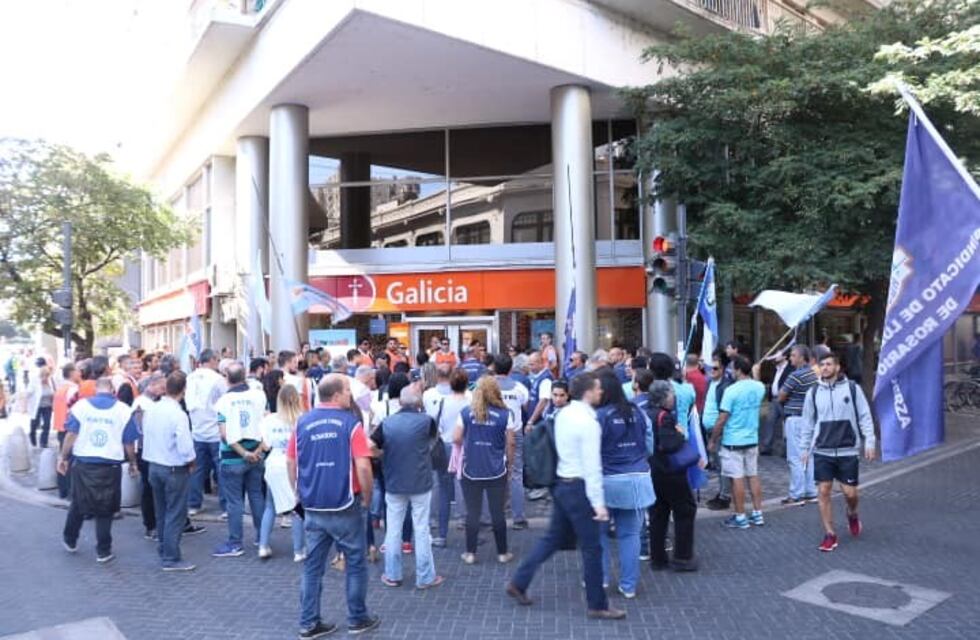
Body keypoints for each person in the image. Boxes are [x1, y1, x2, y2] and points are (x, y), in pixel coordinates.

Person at [506, 373, 625, 620]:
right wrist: (598, 503)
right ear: (589, 391)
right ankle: (598, 604)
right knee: (592, 548)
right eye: (598, 388)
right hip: (579, 488)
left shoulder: (563, 415)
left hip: (561, 483)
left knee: (552, 539)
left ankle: (519, 581)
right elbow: (592, 466)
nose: (601, 392)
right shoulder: (589, 423)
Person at [288, 374, 381, 637]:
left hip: (314, 505)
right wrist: (367, 496)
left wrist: (298, 491)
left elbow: (291, 462)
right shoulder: (351, 424)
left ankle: (309, 622)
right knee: (355, 563)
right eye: (348, 390)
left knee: (313, 567)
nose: (351, 395)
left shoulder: (302, 423)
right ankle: (357, 618)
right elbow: (363, 465)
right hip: (345, 504)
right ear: (337, 395)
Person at [800, 352, 876, 552]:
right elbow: (807, 422)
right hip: (823, 449)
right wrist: (805, 448)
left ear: (837, 367)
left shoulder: (852, 389)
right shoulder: (814, 392)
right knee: (823, 491)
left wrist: (870, 440)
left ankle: (852, 513)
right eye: (822, 364)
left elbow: (864, 415)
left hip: (847, 449)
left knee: (850, 493)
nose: (824, 368)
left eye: (828, 364)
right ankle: (830, 534)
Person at [58, 377, 139, 563]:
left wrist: (63, 457)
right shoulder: (123, 411)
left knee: (78, 502)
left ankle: (70, 539)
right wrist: (133, 463)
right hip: (110, 464)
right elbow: (129, 443)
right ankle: (103, 550)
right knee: (106, 508)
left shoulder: (80, 407)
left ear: (96, 390)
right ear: (112, 390)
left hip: (84, 463)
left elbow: (71, 434)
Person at [371, 386, 444, 589]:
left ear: (400, 402)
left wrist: (382, 455)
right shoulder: (426, 421)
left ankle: (392, 574)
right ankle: (425, 576)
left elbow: (370, 446)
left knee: (393, 528)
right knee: (421, 528)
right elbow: (433, 441)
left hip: (394, 481)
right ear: (418, 402)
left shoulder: (387, 423)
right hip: (420, 480)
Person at [595, 371, 655, 598]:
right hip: (638, 480)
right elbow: (649, 446)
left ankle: (600, 579)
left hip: (607, 480)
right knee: (630, 535)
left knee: (599, 533)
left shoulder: (599, 416)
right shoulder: (638, 413)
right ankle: (628, 586)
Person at [454, 376, 515, 565]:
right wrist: (509, 465)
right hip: (496, 469)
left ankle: (470, 553)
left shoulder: (466, 412)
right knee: (497, 512)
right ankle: (502, 553)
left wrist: (469, 442)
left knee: (473, 512)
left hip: (471, 468)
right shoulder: (506, 414)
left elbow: (456, 437)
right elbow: (511, 442)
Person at [142, 371, 197, 572]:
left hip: (154, 465)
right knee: (175, 512)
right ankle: (171, 557)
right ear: (183, 390)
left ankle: (164, 547)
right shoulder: (178, 414)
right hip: (173, 468)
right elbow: (184, 445)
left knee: (162, 510)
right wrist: (191, 461)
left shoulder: (153, 409)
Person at [212, 363, 268, 557]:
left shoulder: (223, 401)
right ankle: (263, 536)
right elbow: (266, 424)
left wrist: (243, 453)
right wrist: (257, 450)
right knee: (256, 496)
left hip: (232, 458)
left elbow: (224, 434)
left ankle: (235, 542)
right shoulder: (259, 396)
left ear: (226, 377)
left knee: (234, 501)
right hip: (257, 453)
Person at [708, 356, 766, 530]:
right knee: (753, 476)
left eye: (733, 369)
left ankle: (740, 516)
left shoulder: (731, 390)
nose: (731, 372)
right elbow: (757, 386)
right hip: (752, 438)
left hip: (733, 440)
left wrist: (713, 439)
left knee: (737, 479)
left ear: (739, 370)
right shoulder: (759, 387)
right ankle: (758, 513)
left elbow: (722, 418)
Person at [647, 381, 699, 572]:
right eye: (671, 394)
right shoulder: (665, 417)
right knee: (685, 510)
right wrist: (680, 434)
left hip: (653, 470)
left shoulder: (647, 413)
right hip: (670, 472)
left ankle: (658, 558)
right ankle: (683, 557)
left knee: (658, 514)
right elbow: (670, 444)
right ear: (664, 397)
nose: (674, 398)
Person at [255, 385, 306, 561]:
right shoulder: (302, 419)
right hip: (295, 465)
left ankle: (263, 545)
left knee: (270, 506)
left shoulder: (269, 420)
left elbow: (266, 445)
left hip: (274, 464)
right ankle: (299, 550)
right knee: (297, 508)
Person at [424, 367, 471, 546]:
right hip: (465, 447)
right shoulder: (471, 402)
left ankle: (442, 534)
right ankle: (466, 526)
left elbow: (437, 425)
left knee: (444, 489)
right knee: (465, 487)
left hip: (445, 446)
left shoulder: (443, 402)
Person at [185, 349, 226, 517]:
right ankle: (225, 507)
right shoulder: (217, 379)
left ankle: (194, 504)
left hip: (197, 430)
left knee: (197, 469)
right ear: (212, 360)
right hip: (215, 430)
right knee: (221, 469)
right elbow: (225, 400)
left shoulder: (190, 377)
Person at [493, 354, 531, 530]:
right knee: (516, 474)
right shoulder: (519, 388)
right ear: (510, 369)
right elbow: (525, 406)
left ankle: (494, 515)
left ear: (494, 368)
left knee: (493, 474)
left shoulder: (487, 387)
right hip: (515, 432)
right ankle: (518, 518)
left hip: (492, 432)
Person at [778, 345, 819, 506]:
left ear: (802, 358)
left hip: (795, 419)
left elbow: (781, 396)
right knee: (808, 456)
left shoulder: (795, 376)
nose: (790, 358)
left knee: (795, 457)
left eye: (793, 355)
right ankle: (810, 491)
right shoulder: (813, 374)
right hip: (809, 419)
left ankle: (796, 494)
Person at [703, 354, 734, 511]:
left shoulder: (725, 386)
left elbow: (724, 413)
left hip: (719, 431)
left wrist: (715, 434)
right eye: (709, 367)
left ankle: (725, 496)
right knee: (718, 464)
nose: (711, 371)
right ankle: (722, 492)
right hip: (710, 429)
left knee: (723, 465)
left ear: (722, 369)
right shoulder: (710, 383)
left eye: (715, 368)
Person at [52, 362, 82, 499]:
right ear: (71, 373)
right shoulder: (74, 389)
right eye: (78, 371)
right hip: (70, 428)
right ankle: (70, 491)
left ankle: (62, 490)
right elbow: (75, 410)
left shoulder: (61, 388)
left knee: (62, 458)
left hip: (60, 426)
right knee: (69, 460)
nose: (80, 373)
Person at [758, 352, 790, 456]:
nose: (775, 357)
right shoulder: (775, 369)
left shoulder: (789, 369)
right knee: (769, 422)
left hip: (785, 400)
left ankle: (787, 449)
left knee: (786, 425)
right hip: (774, 400)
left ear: (785, 356)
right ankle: (766, 447)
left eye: (778, 354)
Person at [27, 362, 56, 448]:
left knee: (47, 424)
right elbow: (29, 391)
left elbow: (54, 392)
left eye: (47, 375)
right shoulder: (35, 381)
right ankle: (32, 436)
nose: (46, 378)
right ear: (41, 375)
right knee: (34, 424)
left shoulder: (51, 381)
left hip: (47, 406)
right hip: (37, 406)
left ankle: (44, 442)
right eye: (44, 376)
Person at [524, 351, 554, 427]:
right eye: (529, 364)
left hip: (540, 422)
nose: (530, 367)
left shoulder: (546, 379)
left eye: (532, 365)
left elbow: (543, 402)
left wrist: (531, 421)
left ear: (541, 363)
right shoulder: (537, 377)